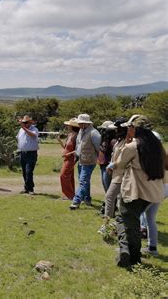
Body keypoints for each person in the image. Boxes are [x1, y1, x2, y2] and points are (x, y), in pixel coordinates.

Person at [106, 115, 165, 267]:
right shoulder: (157, 146)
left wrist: (115, 161)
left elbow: (120, 163)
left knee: (127, 222)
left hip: (135, 191)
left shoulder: (133, 146)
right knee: (128, 220)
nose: (128, 130)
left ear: (135, 129)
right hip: (154, 192)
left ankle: (132, 257)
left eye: (129, 127)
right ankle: (126, 251)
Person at [70, 114, 101, 210]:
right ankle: (87, 199)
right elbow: (79, 145)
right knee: (83, 181)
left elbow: (98, 147)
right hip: (81, 159)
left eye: (80, 123)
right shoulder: (81, 131)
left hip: (89, 161)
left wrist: (95, 157)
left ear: (85, 123)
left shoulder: (94, 133)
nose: (78, 125)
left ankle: (76, 201)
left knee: (83, 181)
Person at [57, 118, 79, 200]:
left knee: (63, 175)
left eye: (68, 125)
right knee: (69, 176)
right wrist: (59, 141)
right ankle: (70, 194)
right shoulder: (70, 135)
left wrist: (68, 154)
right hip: (66, 158)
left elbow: (78, 149)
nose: (67, 126)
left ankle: (69, 195)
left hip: (71, 159)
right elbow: (65, 148)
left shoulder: (76, 136)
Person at [17, 115, 39, 195]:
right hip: (23, 153)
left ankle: (30, 188)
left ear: (30, 122)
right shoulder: (21, 130)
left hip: (31, 153)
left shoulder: (34, 129)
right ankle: (26, 187)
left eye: (25, 122)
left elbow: (33, 135)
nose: (24, 124)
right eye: (23, 122)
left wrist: (24, 128)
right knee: (24, 172)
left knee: (28, 171)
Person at [97, 121, 116, 193]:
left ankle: (110, 202)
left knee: (107, 183)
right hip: (103, 163)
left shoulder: (113, 141)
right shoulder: (104, 139)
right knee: (105, 183)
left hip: (108, 164)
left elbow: (106, 150)